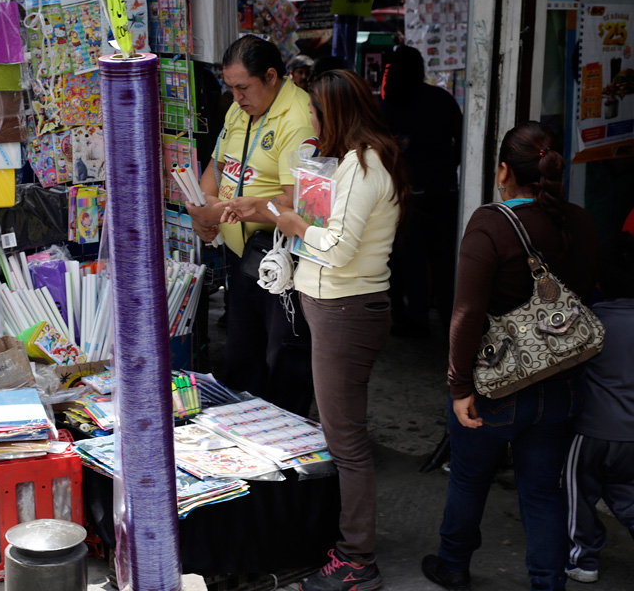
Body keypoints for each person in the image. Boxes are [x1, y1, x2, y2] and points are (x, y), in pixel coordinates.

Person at [221, 69, 407, 591]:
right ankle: (345, 541)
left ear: (338, 115)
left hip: (348, 311)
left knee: (345, 441)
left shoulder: (365, 166)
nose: (315, 125)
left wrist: (293, 223)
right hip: (335, 308)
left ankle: (356, 559)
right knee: (337, 433)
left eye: (320, 116)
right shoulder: (353, 162)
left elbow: (337, 247)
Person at [422, 121, 599, 591]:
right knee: (543, 490)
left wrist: (460, 388)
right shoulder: (578, 221)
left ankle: (453, 564)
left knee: (468, 477)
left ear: (504, 171)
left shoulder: (491, 225)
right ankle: (548, 581)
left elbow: (466, 315)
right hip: (560, 382)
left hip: (495, 385)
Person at [185, 35, 317, 417]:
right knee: (243, 356)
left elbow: (296, 205)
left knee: (284, 360)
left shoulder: (298, 117)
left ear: (272, 76)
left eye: (243, 87)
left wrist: (232, 209)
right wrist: (204, 209)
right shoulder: (239, 111)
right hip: (243, 256)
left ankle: (287, 446)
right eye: (231, 88)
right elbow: (214, 171)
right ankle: (246, 442)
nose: (236, 97)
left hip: (281, 260)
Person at [564, 232, 634, 584]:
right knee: (626, 493)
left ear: (598, 281)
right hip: (631, 435)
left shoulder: (591, 321)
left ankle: (584, 559)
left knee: (580, 492)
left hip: (591, 431)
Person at [381, 45, 462, 336]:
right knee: (444, 261)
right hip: (443, 190)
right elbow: (462, 142)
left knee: (409, 259)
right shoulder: (442, 99)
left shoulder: (387, 107)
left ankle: (415, 319)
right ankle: (450, 319)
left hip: (406, 196)